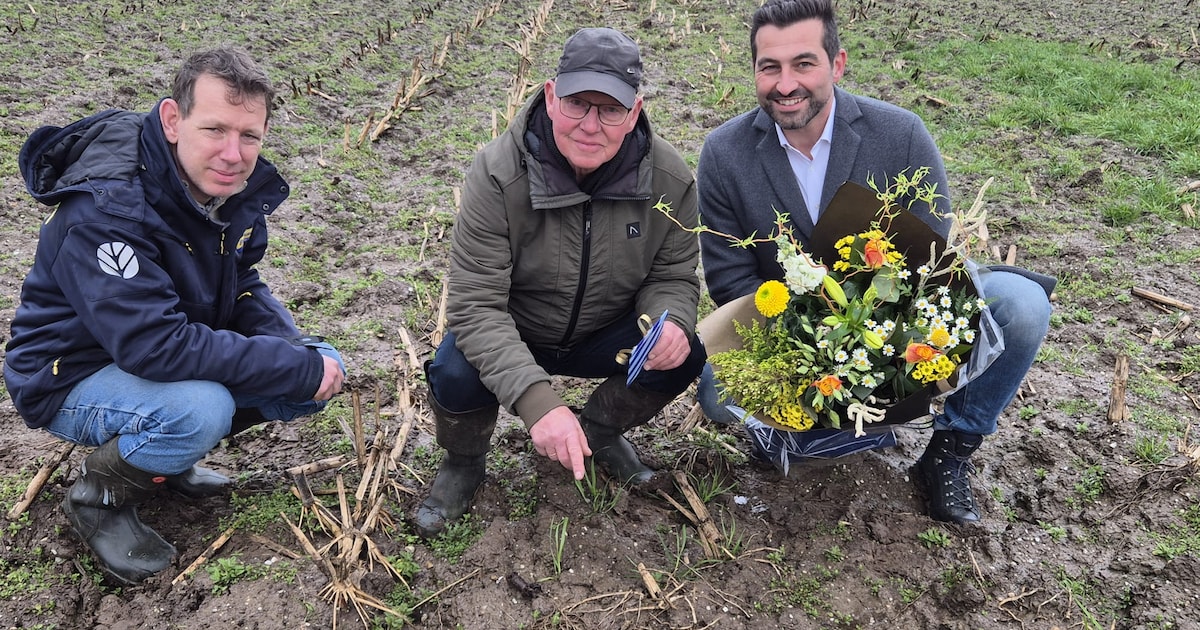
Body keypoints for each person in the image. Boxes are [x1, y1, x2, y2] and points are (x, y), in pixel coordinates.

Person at [696, 0, 1053, 524]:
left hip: (902, 307)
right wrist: (815, 348)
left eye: (803, 64)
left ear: (837, 64)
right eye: (769, 67)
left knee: (1022, 307)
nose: (785, 83)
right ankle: (822, 426)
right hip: (791, 326)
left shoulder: (900, 133)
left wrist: (877, 344)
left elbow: (933, 254)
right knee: (716, 394)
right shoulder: (724, 153)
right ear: (753, 70)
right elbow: (731, 279)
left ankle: (949, 452)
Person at [4, 48, 346, 584]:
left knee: (316, 364)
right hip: (68, 374)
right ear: (172, 120)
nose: (233, 154)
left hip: (153, 353)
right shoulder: (106, 209)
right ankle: (99, 500)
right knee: (199, 407)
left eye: (249, 136)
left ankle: (166, 462)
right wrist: (289, 366)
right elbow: (153, 347)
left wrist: (294, 352)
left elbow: (243, 286)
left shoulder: (225, 192)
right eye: (214, 130)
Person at [415, 27, 707, 538]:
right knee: (456, 367)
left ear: (634, 112)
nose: (590, 125)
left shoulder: (670, 179)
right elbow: (476, 306)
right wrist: (538, 406)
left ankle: (601, 428)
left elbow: (673, 273)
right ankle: (463, 461)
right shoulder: (497, 175)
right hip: (518, 328)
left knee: (685, 353)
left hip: (606, 332)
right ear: (551, 96)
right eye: (577, 103)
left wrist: (671, 321)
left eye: (610, 109)